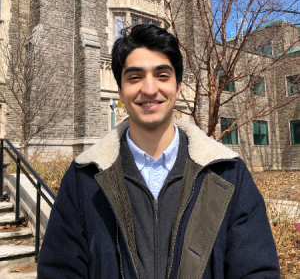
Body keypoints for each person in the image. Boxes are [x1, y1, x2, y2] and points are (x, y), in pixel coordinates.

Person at [38, 24, 280, 279]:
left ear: (177, 88)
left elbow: (257, 271)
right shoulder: (83, 178)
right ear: (120, 90)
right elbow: (58, 271)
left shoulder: (228, 173)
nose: (150, 89)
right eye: (135, 77)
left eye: (162, 75)